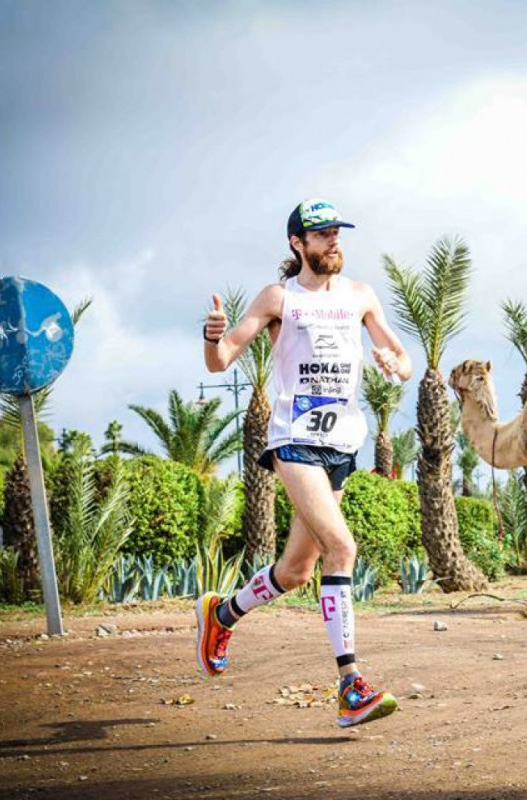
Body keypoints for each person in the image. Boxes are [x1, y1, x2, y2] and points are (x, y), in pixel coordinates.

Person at [196, 198, 413, 727]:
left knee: (295, 571)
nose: (334, 241)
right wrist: (212, 334)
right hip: (293, 440)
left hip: (342, 445)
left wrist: (393, 361)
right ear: (298, 243)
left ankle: (221, 615)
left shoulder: (360, 296)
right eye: (322, 234)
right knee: (342, 547)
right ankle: (351, 686)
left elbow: (405, 363)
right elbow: (220, 361)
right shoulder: (279, 298)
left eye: (337, 232)